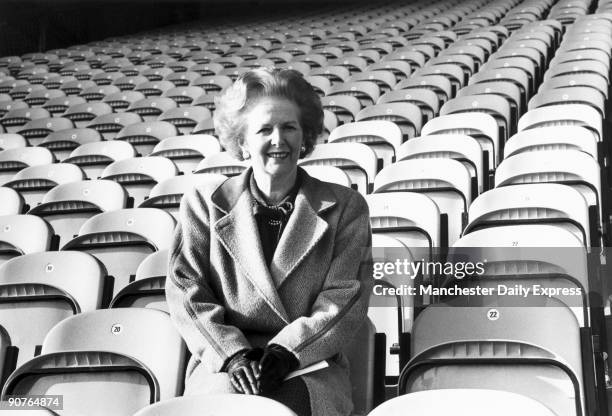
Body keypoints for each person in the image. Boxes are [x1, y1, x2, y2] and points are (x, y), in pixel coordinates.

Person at [166, 68, 373, 416]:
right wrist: (232, 354)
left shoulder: (346, 207)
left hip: (309, 362)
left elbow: (345, 297)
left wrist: (286, 351)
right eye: (264, 129)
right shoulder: (203, 204)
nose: (279, 140)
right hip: (225, 363)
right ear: (243, 141)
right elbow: (186, 290)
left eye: (289, 127)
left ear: (305, 136)